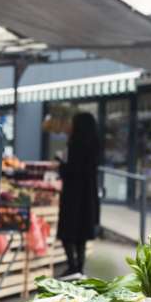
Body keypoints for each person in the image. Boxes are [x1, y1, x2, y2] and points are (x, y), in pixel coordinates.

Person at [56, 112, 99, 275]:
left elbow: (71, 170)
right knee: (82, 234)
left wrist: (61, 164)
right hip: (88, 195)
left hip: (73, 195)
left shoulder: (75, 144)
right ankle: (79, 267)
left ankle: (72, 265)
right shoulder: (95, 145)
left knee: (67, 232)